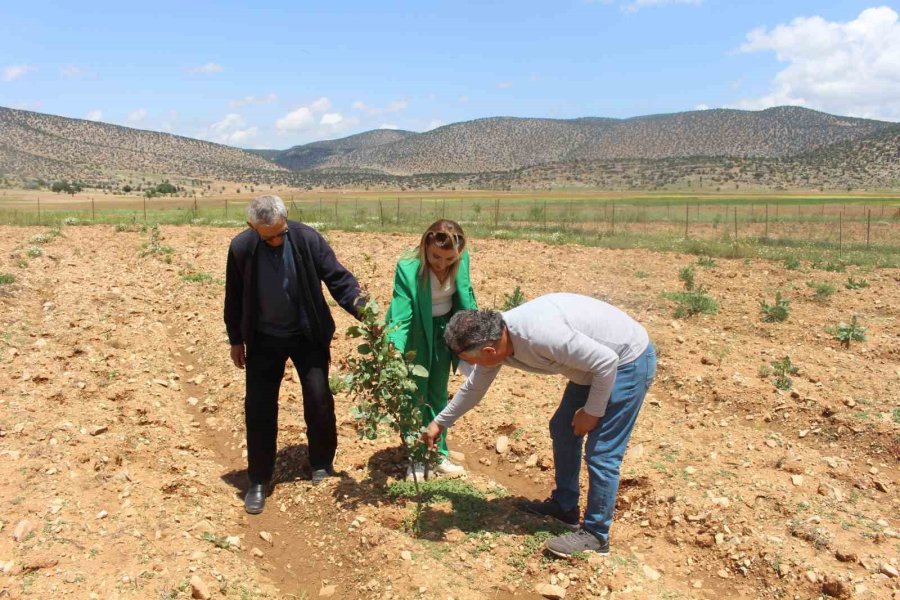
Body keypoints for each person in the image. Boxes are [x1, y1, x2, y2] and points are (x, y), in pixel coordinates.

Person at [421, 293, 656, 556]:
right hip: (592, 366)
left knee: (602, 452)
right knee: (563, 428)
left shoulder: (540, 336)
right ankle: (565, 507)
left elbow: (606, 362)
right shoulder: (496, 339)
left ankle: (596, 535)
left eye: (471, 361)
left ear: (488, 351)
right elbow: (474, 388)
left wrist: (592, 412)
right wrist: (440, 423)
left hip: (627, 362)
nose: (471, 367)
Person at [224, 195, 363, 514]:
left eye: (280, 233)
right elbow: (234, 297)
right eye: (268, 237)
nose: (275, 240)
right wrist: (236, 340)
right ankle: (259, 480)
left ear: (286, 220)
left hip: (307, 334)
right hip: (263, 338)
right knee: (259, 407)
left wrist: (364, 311)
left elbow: (338, 279)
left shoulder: (306, 239)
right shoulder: (241, 248)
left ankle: (321, 464)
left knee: (319, 398)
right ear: (252, 228)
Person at [385, 219, 478, 481]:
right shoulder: (408, 267)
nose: (441, 264)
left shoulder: (461, 259)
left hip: (444, 332)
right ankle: (416, 456)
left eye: (449, 259)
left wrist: (474, 338)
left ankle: (438, 455)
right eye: (436, 256)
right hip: (416, 332)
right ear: (426, 244)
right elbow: (401, 315)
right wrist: (394, 349)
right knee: (414, 395)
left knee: (438, 394)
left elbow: (466, 297)